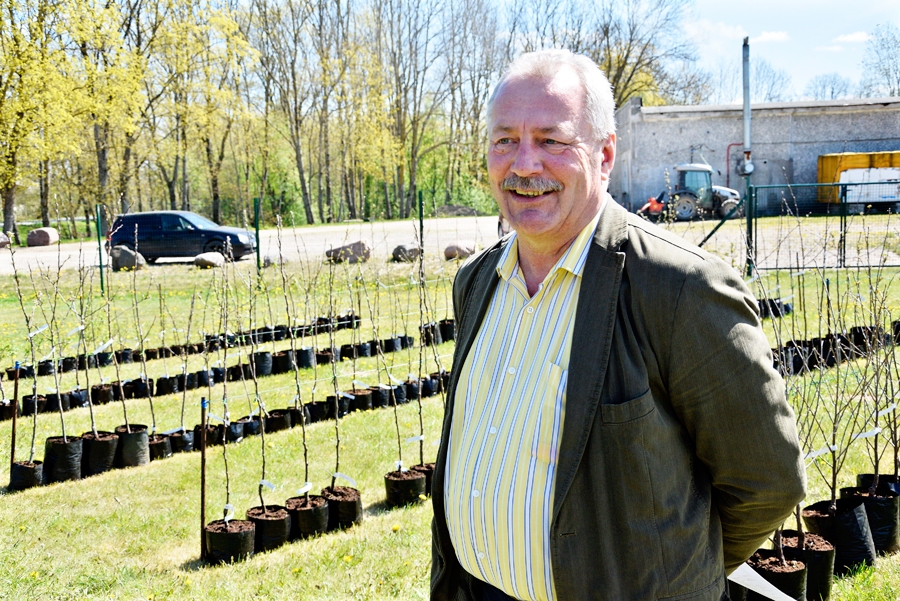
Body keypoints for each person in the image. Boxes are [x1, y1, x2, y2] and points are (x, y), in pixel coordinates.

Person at [430, 49, 806, 601]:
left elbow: (767, 481)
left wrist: (669, 573)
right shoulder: (476, 281)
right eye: (505, 139)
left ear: (605, 155)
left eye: (552, 140)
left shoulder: (679, 289)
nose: (524, 163)